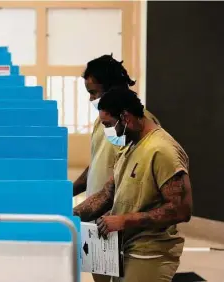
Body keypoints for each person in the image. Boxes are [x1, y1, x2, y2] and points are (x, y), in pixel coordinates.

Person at [73, 88, 193, 282]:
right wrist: (69, 216)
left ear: (125, 117)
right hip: (123, 246)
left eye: (109, 125)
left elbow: (181, 210)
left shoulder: (162, 151)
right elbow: (107, 194)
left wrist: (125, 220)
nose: (107, 132)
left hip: (149, 251)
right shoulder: (129, 145)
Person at [73, 54, 160, 198]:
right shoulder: (101, 121)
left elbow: (136, 175)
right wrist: (68, 192)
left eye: (93, 92)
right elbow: (98, 165)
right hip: (99, 213)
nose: (91, 99)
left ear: (112, 88)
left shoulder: (139, 123)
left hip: (119, 213)